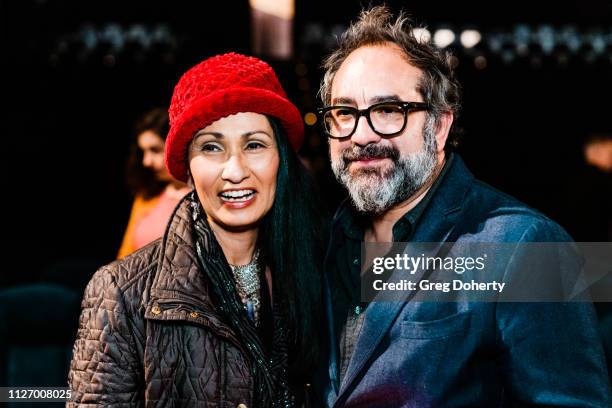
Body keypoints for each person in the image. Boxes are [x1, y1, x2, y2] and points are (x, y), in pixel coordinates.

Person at [315, 6, 610, 407]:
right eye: (345, 113)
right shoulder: (325, 239)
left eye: (388, 111)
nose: (362, 134)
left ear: (438, 127)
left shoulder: (526, 245)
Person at [68, 53, 323, 407]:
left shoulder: (315, 274)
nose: (235, 170)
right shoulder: (120, 294)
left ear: (281, 159)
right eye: (212, 147)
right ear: (187, 168)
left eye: (254, 145)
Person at [117, 108, 191, 258]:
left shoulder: (203, 199)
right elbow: (124, 258)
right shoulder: (147, 197)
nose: (146, 161)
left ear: (176, 147)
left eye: (155, 150)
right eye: (143, 152)